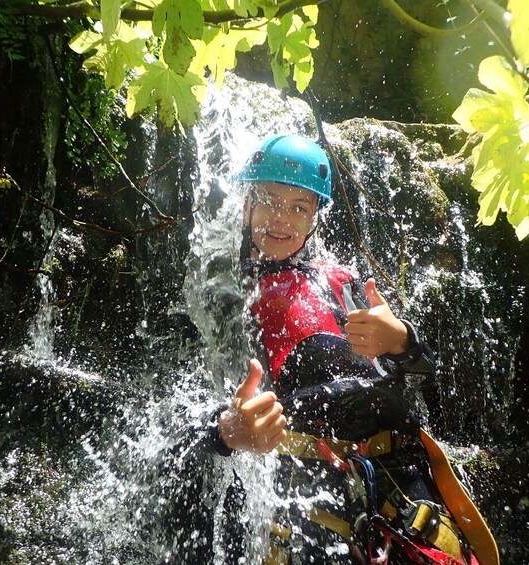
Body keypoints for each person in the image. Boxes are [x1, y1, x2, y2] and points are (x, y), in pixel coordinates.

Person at [201, 134, 498, 565]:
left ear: (315, 219)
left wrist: (402, 341)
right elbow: (192, 404)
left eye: (300, 208)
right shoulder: (224, 289)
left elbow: (421, 376)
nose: (281, 219)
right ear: (246, 204)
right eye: (268, 200)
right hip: (310, 484)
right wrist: (226, 429)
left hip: (398, 477)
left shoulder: (341, 279)